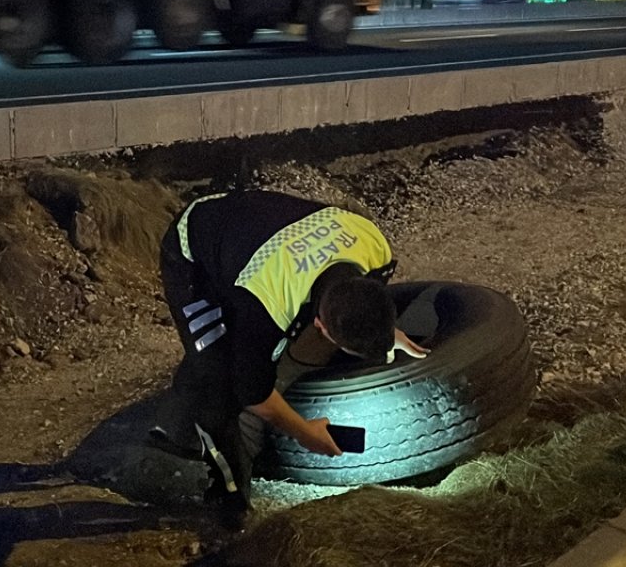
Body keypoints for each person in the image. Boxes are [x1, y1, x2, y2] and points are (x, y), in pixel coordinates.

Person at [150, 190, 428, 529]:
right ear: (319, 325)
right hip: (195, 248)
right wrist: (304, 432)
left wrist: (387, 333)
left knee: (239, 352)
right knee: (218, 383)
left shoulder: (375, 247)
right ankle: (226, 495)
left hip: (257, 231)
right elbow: (253, 393)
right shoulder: (268, 304)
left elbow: (365, 299)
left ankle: (185, 401)